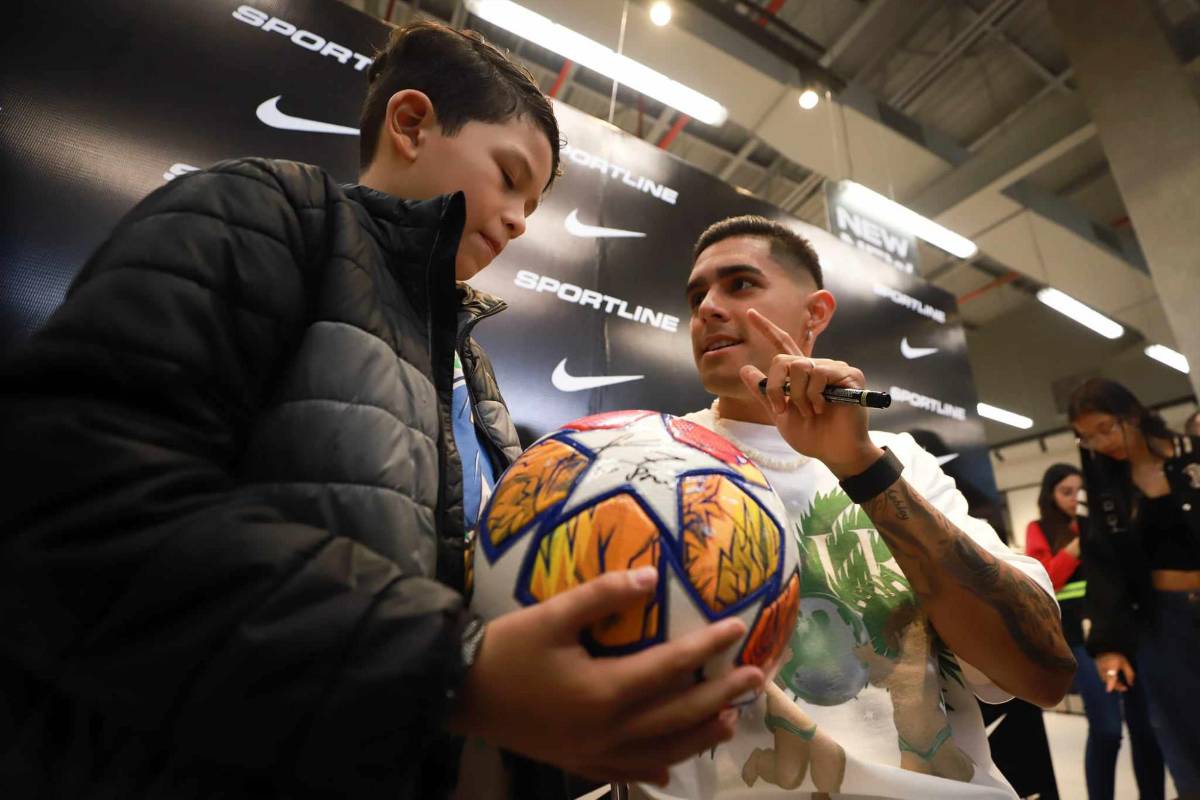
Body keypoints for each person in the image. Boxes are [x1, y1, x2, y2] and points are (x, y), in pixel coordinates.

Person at [0, 22, 763, 798]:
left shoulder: (474, 371)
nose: (520, 222)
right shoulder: (268, 214)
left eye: (535, 205)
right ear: (410, 122)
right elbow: (65, 496)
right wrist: (458, 668)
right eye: (508, 177)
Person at [634, 215, 1074, 799]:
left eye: (739, 284)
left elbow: (1042, 672)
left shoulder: (902, 461)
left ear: (815, 313)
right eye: (697, 295)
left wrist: (861, 467)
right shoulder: (646, 459)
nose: (708, 308)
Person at [1069, 378, 1200, 799]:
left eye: (1106, 428)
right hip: (1163, 621)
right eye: (1086, 437)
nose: (1099, 443)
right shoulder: (1102, 489)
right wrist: (1108, 646)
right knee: (1181, 731)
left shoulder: (1190, 455)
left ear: (1133, 414)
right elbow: (1102, 566)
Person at [1025, 464, 1163, 800]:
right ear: (1051, 495)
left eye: (1079, 490)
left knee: (1146, 730)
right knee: (1107, 729)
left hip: (1124, 631)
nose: (1075, 498)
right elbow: (1044, 579)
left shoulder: (1105, 522)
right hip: (1078, 639)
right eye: (1066, 492)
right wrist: (1077, 544)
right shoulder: (1040, 528)